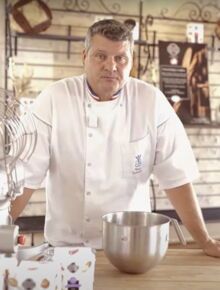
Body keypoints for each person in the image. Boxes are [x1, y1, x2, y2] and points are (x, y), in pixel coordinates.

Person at [11, 19, 220, 257]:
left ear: (131, 62)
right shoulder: (54, 99)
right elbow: (24, 178)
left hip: (132, 247)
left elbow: (177, 178)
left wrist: (204, 240)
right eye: (101, 56)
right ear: (84, 57)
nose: (111, 66)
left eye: (120, 58)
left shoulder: (151, 102)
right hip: (65, 247)